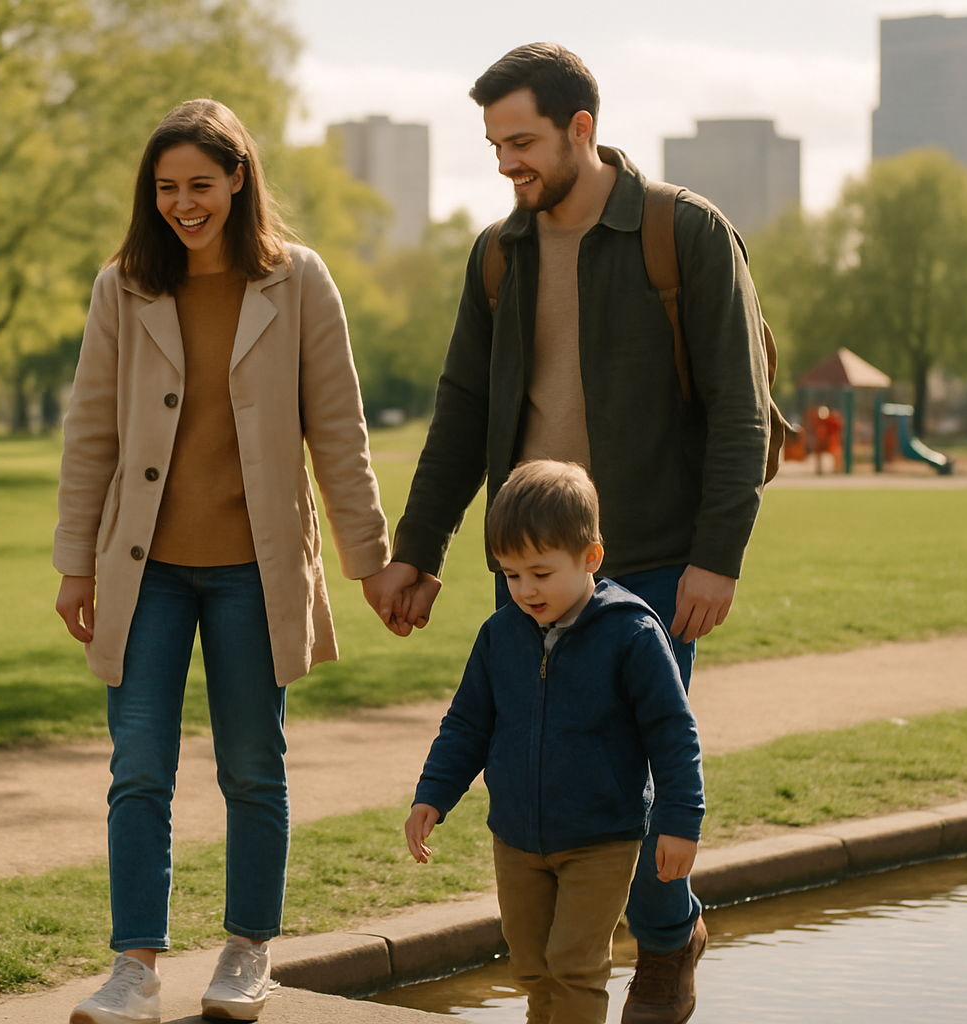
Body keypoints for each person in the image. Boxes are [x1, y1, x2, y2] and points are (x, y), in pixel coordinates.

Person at [363, 42, 770, 1023]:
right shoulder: (499, 255)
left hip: (657, 562)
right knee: (569, 785)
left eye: (523, 141)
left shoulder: (685, 233)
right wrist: (417, 550)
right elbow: (463, 406)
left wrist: (716, 555)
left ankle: (666, 943)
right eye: (496, 143)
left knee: (622, 793)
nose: (507, 162)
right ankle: (655, 943)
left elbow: (740, 410)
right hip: (535, 561)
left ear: (580, 129)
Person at [52, 98, 390, 1024]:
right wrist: (74, 565)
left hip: (255, 570)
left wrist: (372, 562)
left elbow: (339, 433)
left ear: (239, 178)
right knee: (138, 771)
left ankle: (247, 954)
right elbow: (90, 435)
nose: (183, 204)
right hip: (144, 570)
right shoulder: (122, 286)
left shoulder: (299, 281)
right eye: (166, 188)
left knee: (253, 766)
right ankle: (135, 969)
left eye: (200, 184)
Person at [405, 460, 703, 1024]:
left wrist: (680, 820)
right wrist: (433, 794)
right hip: (516, 838)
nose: (525, 590)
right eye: (512, 575)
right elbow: (467, 724)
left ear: (590, 557)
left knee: (574, 966)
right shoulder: (499, 635)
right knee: (532, 967)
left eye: (540, 573)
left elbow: (673, 733)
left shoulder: (632, 635)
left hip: (602, 839)